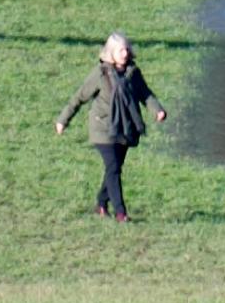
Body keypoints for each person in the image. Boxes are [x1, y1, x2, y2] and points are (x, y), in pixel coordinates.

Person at [57, 32, 168, 220]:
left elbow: (145, 94)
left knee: (114, 168)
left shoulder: (133, 73)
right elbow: (79, 97)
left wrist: (158, 110)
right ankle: (120, 212)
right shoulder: (99, 74)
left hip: (125, 128)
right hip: (103, 128)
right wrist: (62, 120)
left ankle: (101, 203)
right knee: (113, 167)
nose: (124, 53)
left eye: (126, 49)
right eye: (120, 50)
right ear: (110, 53)